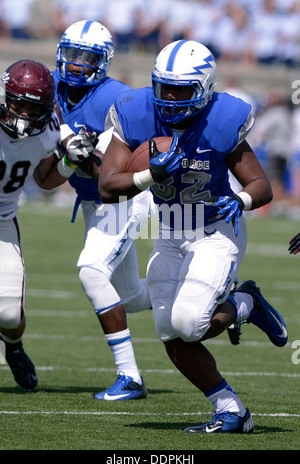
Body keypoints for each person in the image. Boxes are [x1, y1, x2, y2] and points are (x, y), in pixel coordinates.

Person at [98, 39, 288, 433]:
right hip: (170, 229)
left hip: (216, 230)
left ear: (204, 88)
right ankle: (233, 411)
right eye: (163, 87)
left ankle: (245, 303)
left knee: (189, 323)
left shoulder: (221, 117)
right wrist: (152, 173)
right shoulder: (136, 114)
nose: (168, 98)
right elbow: (107, 185)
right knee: (170, 332)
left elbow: (260, 185)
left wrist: (241, 200)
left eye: (180, 90)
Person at [53, 20, 153, 400]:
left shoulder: (119, 99)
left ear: (104, 61)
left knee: (92, 271)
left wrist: (81, 151)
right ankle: (231, 300)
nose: (76, 64)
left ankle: (130, 376)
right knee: (130, 297)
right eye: (72, 54)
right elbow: (49, 177)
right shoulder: (52, 85)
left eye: (86, 57)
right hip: (93, 202)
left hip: (122, 196)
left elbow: (113, 173)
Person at [0, 59, 95, 390]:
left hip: (2, 221)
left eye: (32, 108)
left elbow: (45, 180)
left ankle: (13, 346)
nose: (24, 115)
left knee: (11, 316)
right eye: (17, 103)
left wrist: (71, 159)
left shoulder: (49, 128)